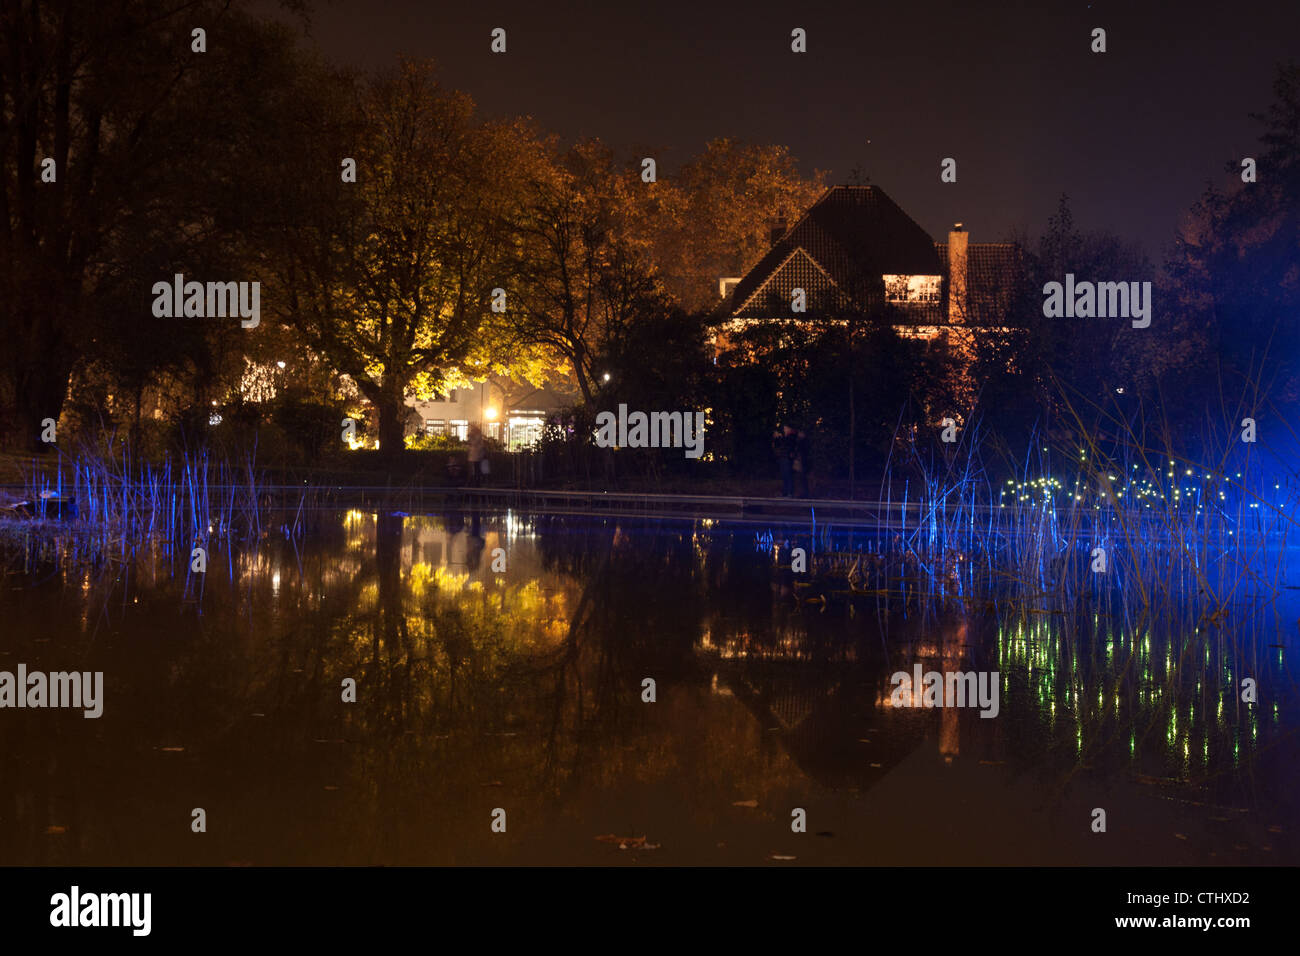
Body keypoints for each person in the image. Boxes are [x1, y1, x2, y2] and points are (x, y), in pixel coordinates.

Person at [772, 424, 797, 497]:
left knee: (788, 475)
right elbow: (779, 445)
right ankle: (785, 492)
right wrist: (777, 438)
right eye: (784, 429)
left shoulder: (791, 436)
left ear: (789, 429)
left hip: (787, 458)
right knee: (784, 476)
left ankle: (789, 493)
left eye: (785, 428)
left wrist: (781, 437)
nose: (784, 430)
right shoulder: (786, 437)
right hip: (783, 458)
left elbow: (788, 445)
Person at [794, 427, 813, 498]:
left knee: (803, 479)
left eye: (800, 433)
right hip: (802, 463)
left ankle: (805, 494)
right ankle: (804, 493)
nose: (799, 434)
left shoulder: (803, 442)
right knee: (802, 479)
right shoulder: (802, 441)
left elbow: (803, 452)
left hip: (803, 463)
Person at [467, 423, 486, 487]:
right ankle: (472, 481)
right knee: (472, 470)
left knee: (477, 469)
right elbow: (470, 443)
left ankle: (477, 482)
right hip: (473, 456)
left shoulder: (478, 436)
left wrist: (471, 438)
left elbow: (474, 443)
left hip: (477, 456)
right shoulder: (474, 436)